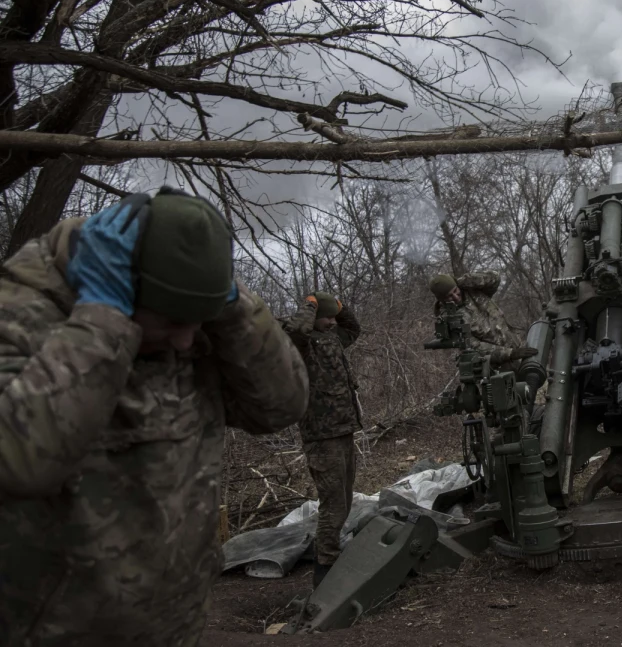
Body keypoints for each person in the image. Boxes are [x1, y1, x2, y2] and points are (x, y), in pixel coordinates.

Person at [0, 187, 309, 647]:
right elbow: (18, 460)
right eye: (171, 323)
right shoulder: (19, 314)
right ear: (124, 287)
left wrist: (231, 308)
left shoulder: (195, 319)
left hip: (176, 625)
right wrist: (102, 322)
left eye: (196, 322)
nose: (185, 342)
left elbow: (282, 405)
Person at [283, 291, 362, 588]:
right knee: (333, 503)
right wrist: (311, 305)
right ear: (314, 317)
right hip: (321, 436)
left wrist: (338, 306)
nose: (332, 322)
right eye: (326, 317)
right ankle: (325, 568)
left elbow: (353, 327)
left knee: (345, 498)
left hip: (343, 429)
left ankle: (332, 556)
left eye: (333, 317)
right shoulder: (301, 346)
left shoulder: (332, 338)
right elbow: (296, 330)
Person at [428, 270, 536, 369]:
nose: (456, 297)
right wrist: (511, 353)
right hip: (498, 367)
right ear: (442, 300)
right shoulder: (448, 318)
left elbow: (495, 278)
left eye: (455, 290)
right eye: (449, 296)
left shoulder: (472, 289)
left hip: (519, 347)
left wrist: (467, 280)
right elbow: (474, 347)